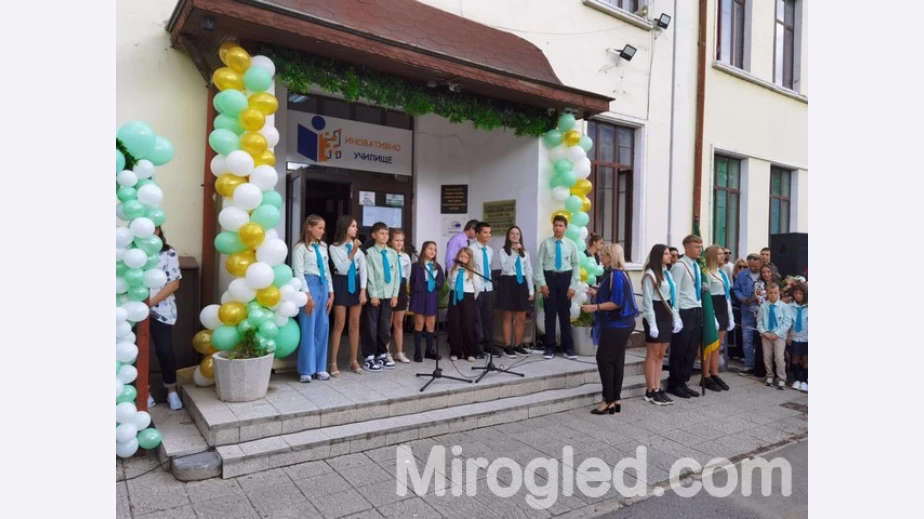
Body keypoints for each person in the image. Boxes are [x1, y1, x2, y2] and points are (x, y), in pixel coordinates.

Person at [582, 243, 638, 414]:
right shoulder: (620, 273)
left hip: (616, 324)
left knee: (604, 359)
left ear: (610, 257)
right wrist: (597, 293)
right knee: (616, 360)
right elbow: (615, 295)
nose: (601, 257)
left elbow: (616, 302)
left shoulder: (615, 275)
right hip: (622, 324)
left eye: (603, 254)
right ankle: (615, 399)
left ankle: (607, 400)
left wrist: (595, 307)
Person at [292, 215, 335, 383]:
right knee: (308, 327)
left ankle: (320, 367)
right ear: (309, 227)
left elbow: (327, 270)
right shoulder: (300, 248)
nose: (322, 231)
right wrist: (307, 295)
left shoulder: (323, 247)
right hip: (309, 285)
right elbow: (298, 272)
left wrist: (331, 292)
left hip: (323, 285)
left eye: (323, 228)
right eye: (319, 228)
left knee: (323, 326)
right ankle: (306, 369)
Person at [146, 226, 183, 410]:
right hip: (133, 311)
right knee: (137, 352)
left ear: (158, 230)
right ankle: (144, 392)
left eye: (154, 228)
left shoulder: (168, 253)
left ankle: (171, 391)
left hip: (161, 311)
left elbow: (174, 283)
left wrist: (150, 303)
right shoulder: (131, 251)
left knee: (165, 350)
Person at [666, 234, 708, 399]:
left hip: (696, 309)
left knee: (691, 349)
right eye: (697, 247)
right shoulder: (680, 266)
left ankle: (683, 380)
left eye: (700, 247)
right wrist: (675, 315)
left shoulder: (696, 266)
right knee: (680, 349)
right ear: (687, 248)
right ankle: (674, 382)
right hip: (684, 311)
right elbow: (674, 292)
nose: (700, 250)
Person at [640, 244, 681, 406]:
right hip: (655, 314)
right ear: (658, 256)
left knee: (661, 354)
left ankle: (657, 387)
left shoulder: (667, 273)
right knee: (653, 353)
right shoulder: (650, 274)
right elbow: (647, 302)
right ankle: (650, 390)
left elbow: (673, 297)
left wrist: (676, 317)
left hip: (666, 314)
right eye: (666, 254)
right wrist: (652, 323)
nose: (670, 256)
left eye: (669, 253)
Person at [536, 215, 581, 360]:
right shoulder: (545, 243)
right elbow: (539, 264)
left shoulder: (571, 244)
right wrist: (542, 283)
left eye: (560, 225)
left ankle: (568, 348)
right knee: (549, 314)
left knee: (565, 315)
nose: (557, 228)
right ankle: (549, 347)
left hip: (565, 279)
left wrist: (573, 286)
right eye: (555, 225)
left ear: (565, 228)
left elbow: (576, 265)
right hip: (549, 279)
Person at [328, 216, 367, 376]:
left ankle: (353, 360)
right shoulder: (334, 247)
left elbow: (363, 269)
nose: (356, 229)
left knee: (355, 323)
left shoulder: (358, 248)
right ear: (345, 227)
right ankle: (333, 362)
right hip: (341, 282)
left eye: (356, 226)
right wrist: (352, 252)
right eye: (353, 226)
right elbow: (342, 269)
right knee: (339, 323)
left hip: (356, 283)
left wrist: (363, 290)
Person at [362, 222, 400, 372]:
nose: (385, 236)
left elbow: (396, 275)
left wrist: (395, 294)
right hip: (376, 295)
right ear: (374, 235)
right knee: (371, 327)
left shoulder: (392, 253)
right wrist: (373, 294)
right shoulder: (370, 253)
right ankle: (369, 356)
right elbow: (370, 275)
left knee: (385, 327)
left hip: (389, 295)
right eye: (381, 233)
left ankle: (382, 354)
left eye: (386, 234)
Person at [496, 226, 534, 358]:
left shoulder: (525, 252)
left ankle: (518, 345)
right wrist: (514, 253)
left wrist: (531, 289)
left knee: (521, 317)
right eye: (512, 233)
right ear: (508, 236)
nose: (515, 235)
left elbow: (528, 270)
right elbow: (506, 268)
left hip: (521, 283)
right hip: (508, 282)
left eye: (517, 233)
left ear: (520, 236)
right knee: (507, 317)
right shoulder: (503, 251)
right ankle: (507, 346)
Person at [703, 245, 735, 392]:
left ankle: (714, 373)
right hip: (713, 307)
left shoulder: (722, 273)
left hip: (722, 307)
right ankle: (705, 375)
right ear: (712, 256)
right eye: (719, 254)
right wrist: (712, 317)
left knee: (718, 346)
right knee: (710, 344)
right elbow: (707, 297)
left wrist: (730, 316)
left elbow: (726, 296)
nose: (723, 256)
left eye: (723, 253)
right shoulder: (706, 273)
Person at [470, 222, 501, 358]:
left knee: (488, 318)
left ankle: (489, 345)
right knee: (477, 319)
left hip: (488, 287)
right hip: (476, 288)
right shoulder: (471, 249)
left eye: (489, 232)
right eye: (485, 232)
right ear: (477, 234)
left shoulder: (490, 250)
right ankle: (478, 347)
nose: (488, 235)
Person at [409, 241, 444, 362]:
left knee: (430, 323)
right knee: (419, 322)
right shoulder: (416, 266)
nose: (433, 251)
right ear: (424, 250)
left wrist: (438, 285)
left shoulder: (437, 267)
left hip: (431, 295)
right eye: (430, 248)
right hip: (420, 294)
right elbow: (412, 282)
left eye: (435, 249)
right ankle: (417, 352)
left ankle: (429, 351)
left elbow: (441, 282)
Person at [447, 247, 482, 361]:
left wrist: (470, 298)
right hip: (454, 297)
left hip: (468, 297)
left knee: (468, 325)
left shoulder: (472, 271)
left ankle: (470, 352)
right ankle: (455, 352)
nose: (462, 259)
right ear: (457, 257)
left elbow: (477, 288)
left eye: (465, 257)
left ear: (469, 259)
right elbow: (449, 283)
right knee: (455, 324)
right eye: (461, 256)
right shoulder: (452, 270)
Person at [757, 282, 792, 390]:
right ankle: (769, 376)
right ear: (767, 293)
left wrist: (777, 333)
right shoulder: (763, 307)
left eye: (775, 293)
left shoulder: (784, 307)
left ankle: (782, 378)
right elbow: (759, 321)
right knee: (767, 357)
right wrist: (764, 332)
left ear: (779, 293)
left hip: (779, 336)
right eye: (770, 293)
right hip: (766, 335)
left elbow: (787, 322)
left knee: (779, 357)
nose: (773, 295)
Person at [733, 253, 762, 376]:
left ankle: (760, 367)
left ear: (760, 263)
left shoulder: (764, 274)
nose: (753, 268)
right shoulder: (742, 274)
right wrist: (743, 298)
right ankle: (749, 364)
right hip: (747, 310)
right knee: (747, 339)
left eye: (755, 266)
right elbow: (736, 289)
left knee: (760, 340)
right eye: (750, 266)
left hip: (762, 311)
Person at [389, 228, 412, 363]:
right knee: (388, 322)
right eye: (396, 240)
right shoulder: (387, 254)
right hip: (389, 287)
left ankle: (399, 352)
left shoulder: (405, 257)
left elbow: (407, 275)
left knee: (399, 322)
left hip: (401, 288)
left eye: (401, 240)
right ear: (391, 241)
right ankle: (386, 352)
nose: (399, 243)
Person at [787, 282, 808, 392]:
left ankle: (804, 381)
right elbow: (788, 322)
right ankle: (797, 380)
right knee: (794, 358)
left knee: (805, 359)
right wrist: (788, 335)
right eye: (796, 293)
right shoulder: (790, 307)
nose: (798, 295)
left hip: (806, 336)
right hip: (794, 336)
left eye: (801, 293)